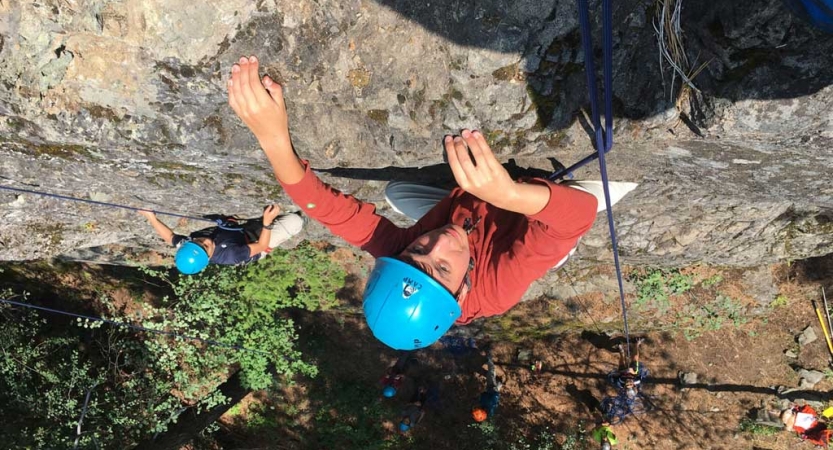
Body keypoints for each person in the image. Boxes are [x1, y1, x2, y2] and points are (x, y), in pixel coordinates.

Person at [226, 55, 598, 349]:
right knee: (587, 203)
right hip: (532, 223)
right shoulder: (496, 287)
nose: (435, 243)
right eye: (440, 269)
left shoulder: (407, 255)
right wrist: (508, 194)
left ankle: (476, 197)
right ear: (462, 290)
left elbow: (327, 210)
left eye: (415, 252)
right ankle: (538, 228)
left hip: (467, 214)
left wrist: (272, 137)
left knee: (397, 194)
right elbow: (577, 216)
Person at [139, 205, 303, 274]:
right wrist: (266, 224)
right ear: (208, 257)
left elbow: (170, 237)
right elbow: (261, 245)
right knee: (296, 221)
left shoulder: (188, 247)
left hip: (235, 233)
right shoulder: (231, 255)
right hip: (254, 241)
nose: (206, 242)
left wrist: (151, 218)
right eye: (205, 247)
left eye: (199, 242)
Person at [472, 351, 503, 422]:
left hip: (490, 391)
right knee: (491, 372)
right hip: (492, 389)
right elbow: (495, 397)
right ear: (482, 410)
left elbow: (483, 396)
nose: (477, 407)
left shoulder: (485, 408)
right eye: (478, 408)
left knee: (494, 379)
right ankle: (489, 359)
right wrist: (493, 391)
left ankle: (499, 383)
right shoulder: (489, 405)